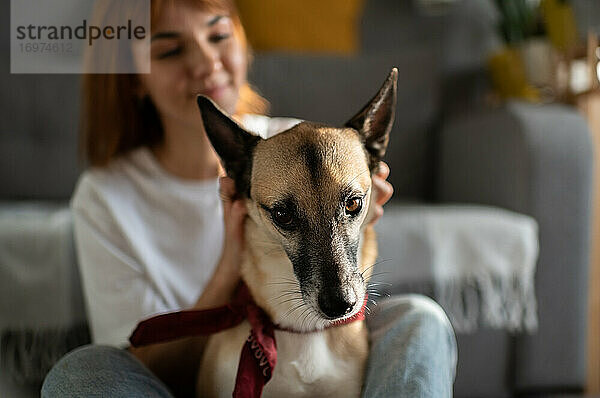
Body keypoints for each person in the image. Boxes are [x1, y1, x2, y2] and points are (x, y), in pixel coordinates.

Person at [41, 0, 457, 397]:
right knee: (84, 369)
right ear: (131, 76)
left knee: (421, 319)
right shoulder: (106, 197)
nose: (206, 63)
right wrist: (230, 265)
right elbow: (134, 367)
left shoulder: (301, 144)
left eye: (219, 35)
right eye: (169, 50)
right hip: (180, 379)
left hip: (330, 344)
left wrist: (361, 209)